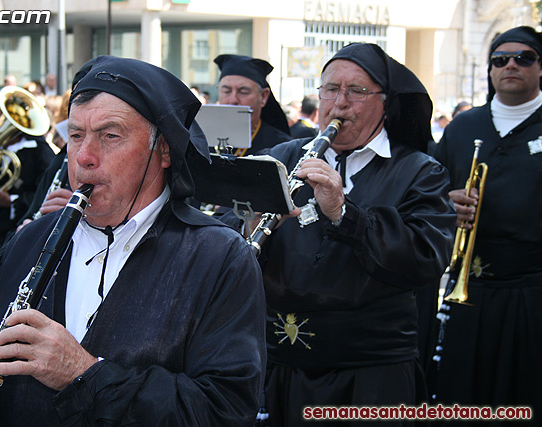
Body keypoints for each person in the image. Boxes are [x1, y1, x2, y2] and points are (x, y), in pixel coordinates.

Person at [0, 56, 266, 426]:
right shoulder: (31, 240)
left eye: (110, 135)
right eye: (76, 135)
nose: (83, 158)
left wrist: (84, 373)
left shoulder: (219, 256)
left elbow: (224, 410)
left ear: (163, 150)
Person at [224, 43, 456, 426]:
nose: (339, 104)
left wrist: (344, 213)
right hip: (281, 365)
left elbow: (427, 257)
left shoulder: (420, 171)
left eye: (357, 92)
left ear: (385, 103)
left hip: (370, 374)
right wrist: (248, 227)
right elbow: (227, 245)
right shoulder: (280, 158)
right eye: (330, 89)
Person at [429, 26, 542, 424]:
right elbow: (431, 192)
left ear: (540, 67)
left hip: (533, 289)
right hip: (470, 288)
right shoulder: (462, 127)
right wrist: (448, 203)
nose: (511, 65)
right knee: (464, 396)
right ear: (490, 69)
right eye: (500, 59)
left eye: (524, 57)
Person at [215, 54, 290, 155]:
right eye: (226, 91)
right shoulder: (199, 139)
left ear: (263, 96)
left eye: (243, 92)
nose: (233, 100)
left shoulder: (282, 147)